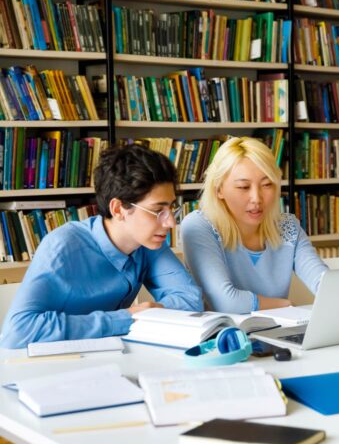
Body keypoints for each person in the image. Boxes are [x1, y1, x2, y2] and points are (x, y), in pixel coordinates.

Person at [0, 144, 203, 348]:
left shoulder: (149, 242)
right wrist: (126, 318)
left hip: (110, 358)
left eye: (171, 209)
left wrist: (151, 312)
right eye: (158, 211)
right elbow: (17, 332)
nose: (170, 223)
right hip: (52, 367)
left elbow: (190, 300)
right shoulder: (62, 247)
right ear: (118, 209)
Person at [181, 137, 327, 313]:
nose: (257, 198)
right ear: (219, 189)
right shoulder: (198, 226)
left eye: (267, 185)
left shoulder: (289, 226)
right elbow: (226, 303)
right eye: (243, 187)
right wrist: (285, 305)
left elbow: (323, 283)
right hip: (222, 337)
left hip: (274, 334)